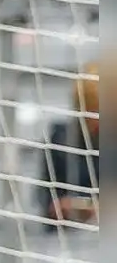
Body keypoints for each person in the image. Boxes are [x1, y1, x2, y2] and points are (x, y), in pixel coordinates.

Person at [39, 61, 99, 227]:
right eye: (93, 111)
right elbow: (46, 202)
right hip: (70, 234)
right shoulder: (61, 141)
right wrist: (64, 207)